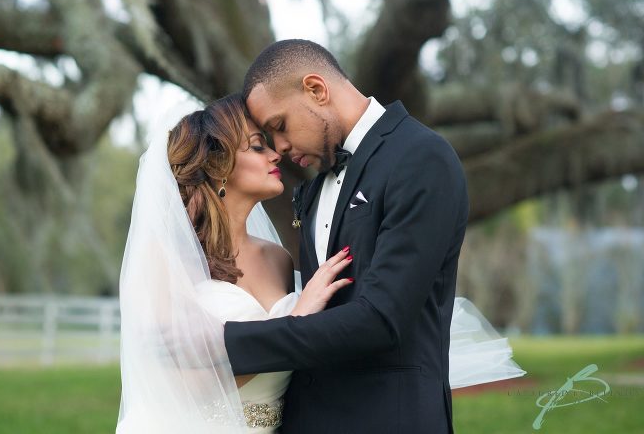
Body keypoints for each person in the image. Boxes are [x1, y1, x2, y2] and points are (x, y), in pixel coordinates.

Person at [116, 77, 523, 432]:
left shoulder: (277, 258)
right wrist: (296, 318)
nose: (277, 153)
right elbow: (177, 385)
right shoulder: (164, 258)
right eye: (259, 145)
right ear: (218, 164)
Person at [220, 39, 523, 433]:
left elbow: (380, 318)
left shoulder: (421, 157)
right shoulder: (313, 188)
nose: (280, 147)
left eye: (279, 126)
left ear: (316, 89)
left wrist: (224, 346)